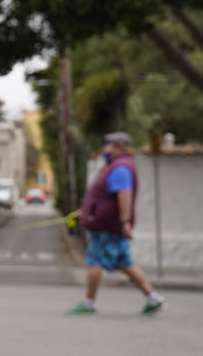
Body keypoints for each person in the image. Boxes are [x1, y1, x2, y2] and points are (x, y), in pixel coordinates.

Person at [68, 132, 165, 315]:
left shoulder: (120, 167)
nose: (105, 148)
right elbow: (106, 197)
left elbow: (124, 194)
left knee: (94, 260)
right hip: (110, 223)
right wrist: (87, 211)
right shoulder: (117, 166)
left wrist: (124, 221)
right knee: (125, 262)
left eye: (108, 144)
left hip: (107, 225)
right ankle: (152, 297)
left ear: (119, 146)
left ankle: (89, 302)